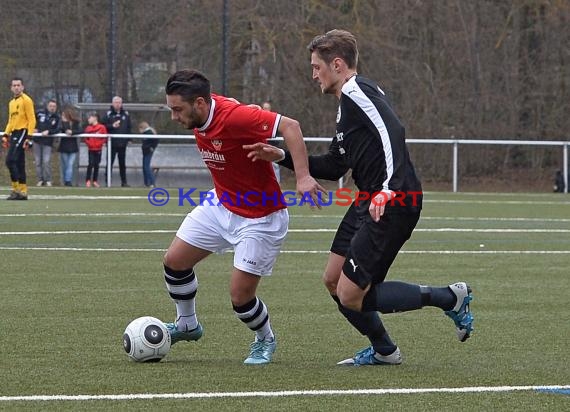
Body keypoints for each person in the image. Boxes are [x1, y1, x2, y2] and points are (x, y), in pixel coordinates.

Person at [245, 29, 474, 366]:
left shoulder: (357, 91)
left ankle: (449, 298)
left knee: (351, 294)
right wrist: (280, 156)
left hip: (392, 201)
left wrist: (388, 188)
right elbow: (334, 163)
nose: (313, 74)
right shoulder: (346, 108)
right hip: (368, 199)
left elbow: (392, 130)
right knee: (333, 280)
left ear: (336, 64)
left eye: (316, 67)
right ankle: (384, 350)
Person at [162, 69, 323, 365]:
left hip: (261, 217)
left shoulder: (235, 117)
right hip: (220, 204)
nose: (174, 116)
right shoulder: (201, 114)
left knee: (240, 297)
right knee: (174, 262)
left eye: (177, 109)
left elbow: (291, 126)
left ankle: (265, 339)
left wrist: (302, 176)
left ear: (199, 103)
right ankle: (187, 325)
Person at [2, 77, 36, 200]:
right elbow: (11, 121)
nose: (16, 87)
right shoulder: (12, 103)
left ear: (22, 87)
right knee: (19, 163)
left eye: (18, 85)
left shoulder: (26, 100)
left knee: (10, 160)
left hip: (23, 131)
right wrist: (6, 134)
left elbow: (32, 119)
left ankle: (16, 189)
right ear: (11, 88)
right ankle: (23, 191)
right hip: (14, 133)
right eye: (14, 85)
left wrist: (29, 136)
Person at [103, 96, 131, 186]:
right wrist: (112, 126)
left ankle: (124, 182)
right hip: (112, 143)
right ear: (112, 103)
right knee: (109, 163)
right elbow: (103, 126)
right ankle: (108, 181)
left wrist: (129, 139)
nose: (118, 104)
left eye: (119, 102)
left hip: (123, 143)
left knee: (122, 163)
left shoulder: (126, 114)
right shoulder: (108, 114)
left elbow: (129, 127)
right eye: (116, 102)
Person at [33, 99, 60, 187]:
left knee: (46, 161)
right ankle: (40, 180)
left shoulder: (56, 117)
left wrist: (49, 131)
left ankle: (48, 180)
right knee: (38, 162)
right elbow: (31, 121)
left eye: (54, 106)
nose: (52, 108)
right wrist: (33, 128)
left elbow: (58, 129)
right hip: (37, 141)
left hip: (47, 142)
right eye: (51, 106)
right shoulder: (39, 113)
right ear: (47, 106)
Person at [58, 106, 82, 186]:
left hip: (73, 147)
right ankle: (65, 180)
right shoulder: (61, 123)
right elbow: (59, 129)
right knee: (65, 165)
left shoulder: (76, 123)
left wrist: (72, 132)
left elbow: (80, 130)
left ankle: (68, 181)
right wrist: (65, 124)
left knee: (70, 164)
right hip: (64, 147)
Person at [83, 113, 107, 188]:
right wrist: (89, 144)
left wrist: (100, 144)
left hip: (98, 149)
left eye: (90, 118)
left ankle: (95, 181)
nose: (88, 119)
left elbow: (105, 137)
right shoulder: (88, 128)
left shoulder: (102, 127)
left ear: (95, 118)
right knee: (90, 164)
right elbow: (85, 138)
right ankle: (87, 180)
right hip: (91, 149)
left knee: (97, 165)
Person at [261, 101, 282, 183]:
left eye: (267, 108)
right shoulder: (258, 119)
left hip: (272, 148)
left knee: (274, 166)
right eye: (264, 108)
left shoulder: (274, 120)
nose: (266, 110)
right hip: (261, 148)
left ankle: (277, 185)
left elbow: (276, 134)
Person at [139, 121, 158, 187]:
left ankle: (152, 182)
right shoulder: (145, 133)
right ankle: (146, 183)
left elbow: (155, 141)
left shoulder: (149, 133)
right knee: (144, 166)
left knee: (146, 167)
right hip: (145, 151)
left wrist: (152, 147)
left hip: (148, 151)